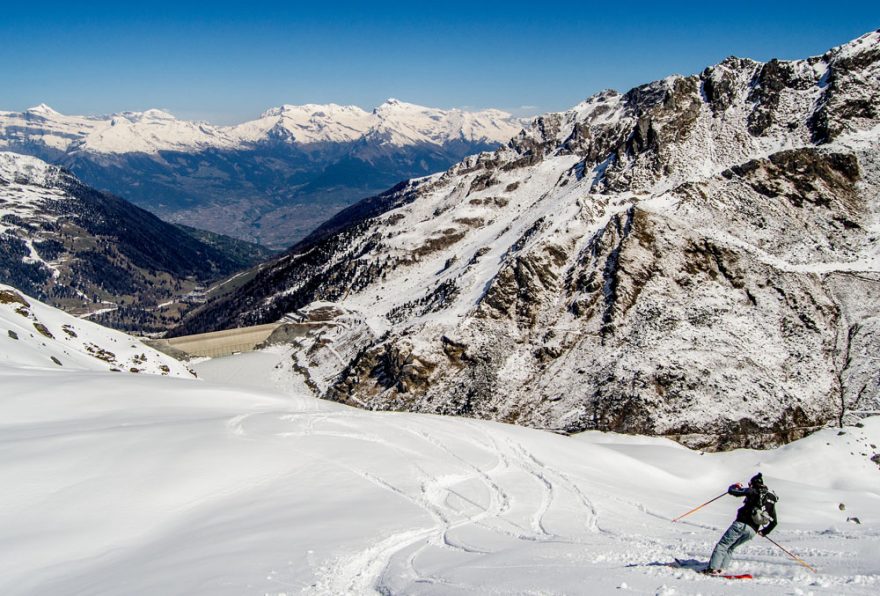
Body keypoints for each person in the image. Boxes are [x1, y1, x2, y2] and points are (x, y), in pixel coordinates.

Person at [703, 472, 778, 575]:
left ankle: (712, 569)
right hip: (752, 531)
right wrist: (764, 532)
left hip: (741, 524)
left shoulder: (753, 491)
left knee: (723, 545)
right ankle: (722, 568)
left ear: (753, 483)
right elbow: (774, 522)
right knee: (731, 547)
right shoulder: (770, 499)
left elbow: (732, 491)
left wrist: (735, 486)